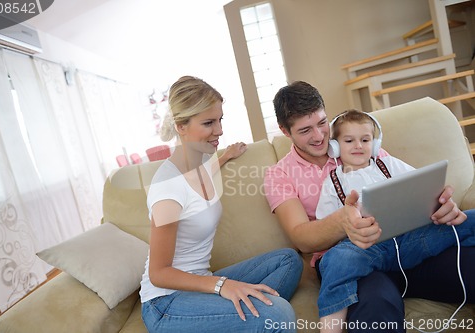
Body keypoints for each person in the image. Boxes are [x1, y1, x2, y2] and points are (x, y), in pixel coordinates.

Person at [264, 80, 475, 333]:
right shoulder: (279, 175)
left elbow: (408, 187)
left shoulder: (356, 142)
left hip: (405, 247)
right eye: (305, 130)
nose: (319, 136)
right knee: (377, 312)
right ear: (285, 131)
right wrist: (343, 221)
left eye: (322, 123)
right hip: (354, 266)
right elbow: (302, 239)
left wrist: (439, 202)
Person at [140, 75, 303, 333]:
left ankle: (246, 319)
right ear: (181, 126)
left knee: (288, 260)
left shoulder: (199, 162)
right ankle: (263, 317)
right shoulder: (167, 189)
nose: (219, 130)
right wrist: (221, 285)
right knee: (279, 314)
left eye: (219, 120)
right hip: (167, 302)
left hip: (201, 281)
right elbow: (159, 273)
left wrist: (226, 156)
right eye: (208, 123)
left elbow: (198, 179)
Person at [314, 109, 475, 332]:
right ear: (336, 147)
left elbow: (423, 188)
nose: (358, 146)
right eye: (349, 140)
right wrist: (348, 222)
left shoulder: (388, 164)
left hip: (410, 241)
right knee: (337, 258)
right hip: (367, 250)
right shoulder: (332, 182)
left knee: (472, 218)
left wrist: (440, 201)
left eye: (365, 139)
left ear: (375, 143)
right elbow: (327, 226)